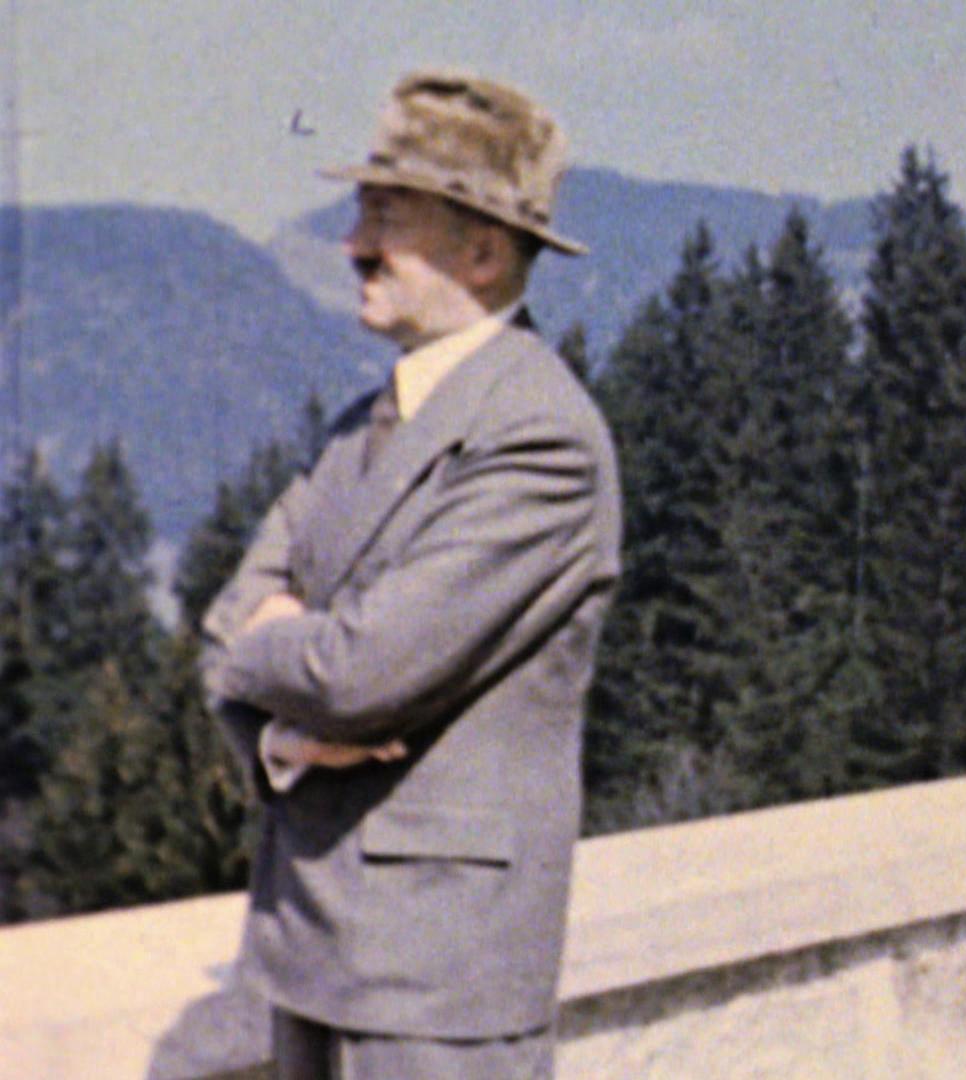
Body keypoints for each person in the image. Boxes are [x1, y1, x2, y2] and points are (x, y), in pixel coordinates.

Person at [198, 69, 620, 1079]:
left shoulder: (540, 437)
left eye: (386, 217)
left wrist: (280, 647)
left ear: (481, 251)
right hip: (312, 950)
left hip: (443, 982)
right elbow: (223, 632)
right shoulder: (360, 430)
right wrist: (291, 738)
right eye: (360, 211)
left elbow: (366, 669)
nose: (353, 244)